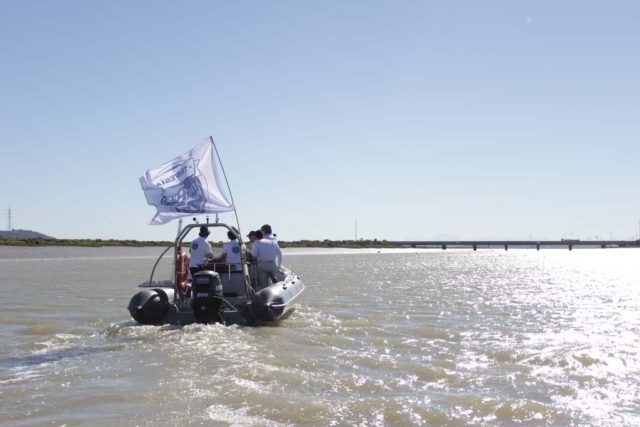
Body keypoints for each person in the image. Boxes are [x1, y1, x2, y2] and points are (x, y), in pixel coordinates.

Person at [251, 225, 284, 289]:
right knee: (282, 278)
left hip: (262, 264)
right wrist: (279, 266)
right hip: (272, 263)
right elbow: (279, 254)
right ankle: (282, 287)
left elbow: (254, 255)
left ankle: (264, 293)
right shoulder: (273, 240)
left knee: (263, 284)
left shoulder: (257, 242)